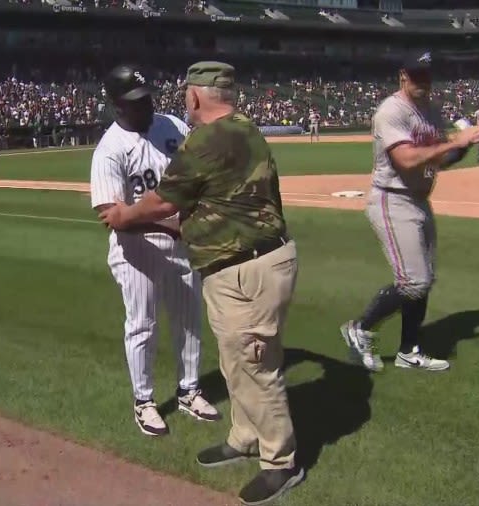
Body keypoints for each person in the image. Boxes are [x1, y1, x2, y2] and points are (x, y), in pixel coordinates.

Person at [100, 61, 303, 506]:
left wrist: (123, 215)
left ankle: (280, 461)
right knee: (236, 361)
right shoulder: (242, 126)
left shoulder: (207, 140)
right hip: (245, 263)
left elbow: (160, 201)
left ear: (194, 97)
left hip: (246, 266)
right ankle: (245, 436)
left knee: (255, 366)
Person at [89, 64, 220, 437]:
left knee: (189, 320)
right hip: (137, 251)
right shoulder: (110, 150)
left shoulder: (171, 127)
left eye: (146, 97)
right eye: (134, 101)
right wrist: (173, 226)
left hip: (183, 242)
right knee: (143, 325)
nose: (144, 105)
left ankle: (189, 390)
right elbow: (112, 215)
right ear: (116, 105)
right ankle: (144, 401)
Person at [339, 52, 479, 373]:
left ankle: (409, 351)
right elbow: (406, 160)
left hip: (419, 200)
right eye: (418, 76)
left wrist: (464, 146)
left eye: (428, 76)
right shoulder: (391, 111)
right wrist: (453, 142)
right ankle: (360, 329)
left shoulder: (431, 110)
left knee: (424, 279)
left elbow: (437, 160)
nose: (424, 82)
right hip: (392, 200)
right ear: (403, 76)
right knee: (413, 281)